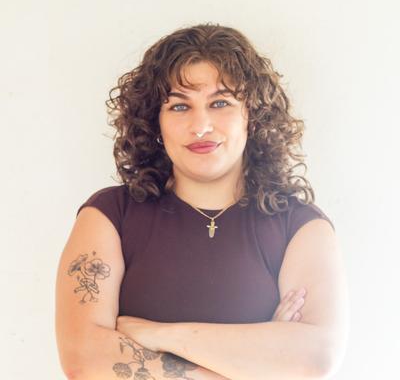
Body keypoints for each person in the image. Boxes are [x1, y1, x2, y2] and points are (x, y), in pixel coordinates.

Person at [55, 23, 349, 380]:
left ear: (252, 114)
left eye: (220, 103)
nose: (200, 126)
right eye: (179, 106)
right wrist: (254, 362)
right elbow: (84, 359)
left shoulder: (300, 227)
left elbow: (313, 361)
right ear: (155, 122)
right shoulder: (110, 215)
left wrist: (158, 335)